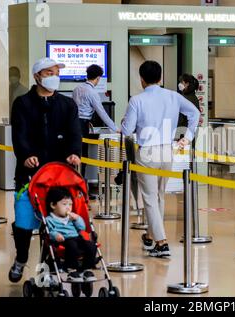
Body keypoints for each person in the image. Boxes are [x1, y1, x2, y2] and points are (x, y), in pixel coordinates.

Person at [9, 57, 82, 283]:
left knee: (54, 223)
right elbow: (19, 135)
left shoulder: (67, 104)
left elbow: (74, 134)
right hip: (29, 175)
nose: (54, 77)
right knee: (23, 222)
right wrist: (26, 156)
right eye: (48, 73)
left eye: (56, 72)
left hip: (59, 176)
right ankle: (21, 259)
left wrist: (74, 153)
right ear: (37, 76)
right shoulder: (23, 103)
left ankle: (48, 270)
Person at [121, 61, 200, 258]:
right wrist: (187, 138)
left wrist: (124, 123)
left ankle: (161, 242)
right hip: (167, 150)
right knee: (159, 196)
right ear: (161, 77)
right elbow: (195, 113)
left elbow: (127, 130)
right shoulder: (173, 96)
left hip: (147, 151)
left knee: (149, 197)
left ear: (141, 79)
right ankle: (150, 235)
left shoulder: (136, 100)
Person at [73, 64, 120, 179]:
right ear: (98, 78)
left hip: (73, 124)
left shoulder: (77, 89)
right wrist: (115, 128)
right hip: (82, 126)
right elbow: (102, 113)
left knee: (74, 155)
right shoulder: (92, 93)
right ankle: (80, 186)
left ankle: (72, 184)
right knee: (83, 156)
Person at [45, 187, 97, 282]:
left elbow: (82, 228)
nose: (68, 207)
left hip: (76, 237)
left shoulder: (71, 217)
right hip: (63, 241)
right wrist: (55, 235)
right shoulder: (50, 219)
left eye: (70, 204)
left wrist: (77, 218)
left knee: (91, 246)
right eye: (64, 204)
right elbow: (49, 231)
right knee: (72, 245)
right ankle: (71, 269)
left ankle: (86, 269)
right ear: (53, 205)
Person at [176, 74, 202, 139]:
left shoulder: (185, 99)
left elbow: (180, 118)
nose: (179, 84)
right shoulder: (194, 97)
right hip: (190, 132)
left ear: (187, 84)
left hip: (182, 133)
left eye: (182, 82)